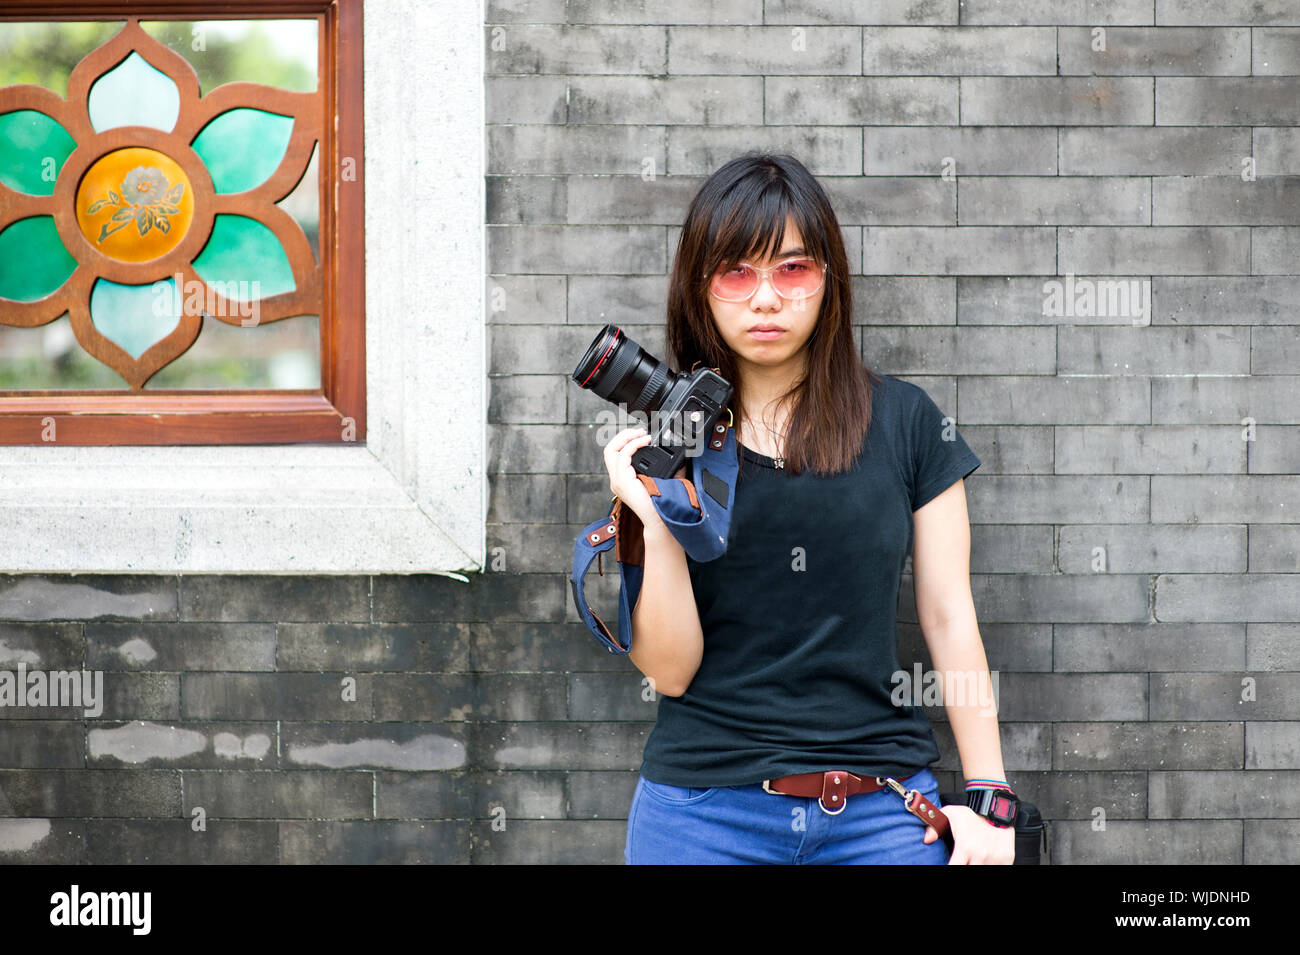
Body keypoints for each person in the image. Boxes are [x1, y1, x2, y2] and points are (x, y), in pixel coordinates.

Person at [603, 153, 1016, 865]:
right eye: (737, 271)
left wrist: (989, 797)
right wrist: (647, 511)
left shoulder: (908, 422)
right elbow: (670, 671)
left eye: (792, 270)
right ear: (700, 287)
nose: (765, 299)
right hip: (702, 818)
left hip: (883, 815)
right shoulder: (674, 444)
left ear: (830, 280)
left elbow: (948, 615)